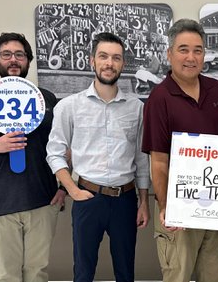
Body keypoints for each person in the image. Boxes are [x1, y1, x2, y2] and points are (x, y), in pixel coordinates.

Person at [0, 32, 65, 282]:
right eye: (6, 54)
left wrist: (64, 186)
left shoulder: (47, 99)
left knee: (37, 273)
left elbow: (62, 147)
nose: (13, 60)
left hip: (43, 203)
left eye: (20, 55)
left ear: (29, 60)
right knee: (7, 276)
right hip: (0, 206)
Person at [46, 32, 150, 282]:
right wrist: (73, 190)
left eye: (116, 58)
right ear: (92, 60)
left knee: (126, 272)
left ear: (123, 64)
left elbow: (141, 159)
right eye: (103, 56)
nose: (109, 63)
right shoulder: (69, 106)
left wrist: (144, 201)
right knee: (83, 271)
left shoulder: (136, 108)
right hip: (87, 199)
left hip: (125, 200)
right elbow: (55, 153)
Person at [142, 19, 218, 282]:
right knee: (177, 276)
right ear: (169, 54)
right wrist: (166, 206)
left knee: (215, 276)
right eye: (183, 49)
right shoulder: (159, 99)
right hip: (179, 207)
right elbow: (158, 161)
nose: (191, 57)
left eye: (198, 50)